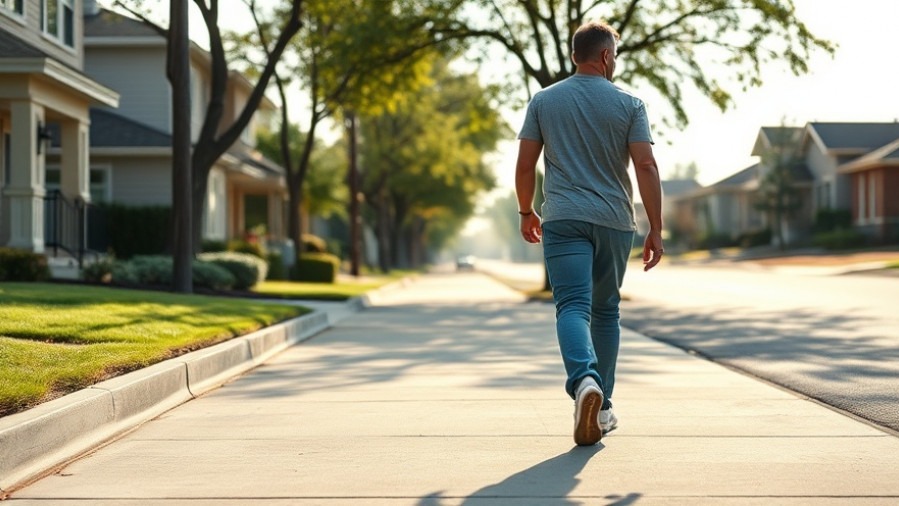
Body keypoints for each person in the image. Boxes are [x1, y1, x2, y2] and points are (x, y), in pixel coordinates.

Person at [514, 20, 664, 446]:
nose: (614, 63)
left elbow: (526, 166)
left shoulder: (544, 100)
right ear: (604, 56)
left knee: (573, 307)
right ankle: (605, 404)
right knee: (606, 311)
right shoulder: (630, 103)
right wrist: (656, 227)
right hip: (615, 221)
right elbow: (647, 166)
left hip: (562, 218)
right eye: (614, 55)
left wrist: (526, 211)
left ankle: (584, 383)